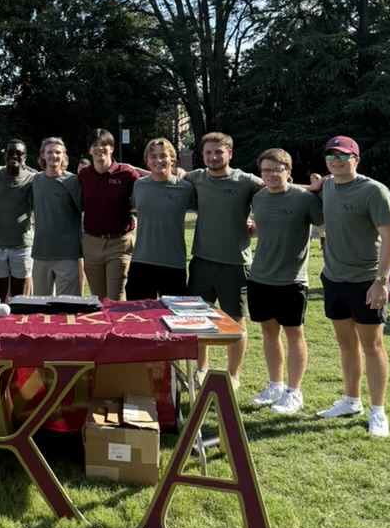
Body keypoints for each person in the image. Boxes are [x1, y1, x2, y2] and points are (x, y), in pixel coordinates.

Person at [317, 135, 390, 437]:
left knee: (372, 346)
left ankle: (378, 411)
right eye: (331, 156)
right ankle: (351, 401)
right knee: (346, 344)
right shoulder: (327, 185)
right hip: (333, 278)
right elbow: (305, 187)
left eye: (343, 155)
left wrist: (381, 281)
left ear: (356, 159)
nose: (336, 160)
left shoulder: (373, 190)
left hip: (366, 281)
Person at [184, 131, 263, 389]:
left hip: (235, 264)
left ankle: (233, 374)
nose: (213, 157)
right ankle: (201, 369)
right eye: (208, 152)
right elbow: (162, 174)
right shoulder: (196, 177)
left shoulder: (246, 181)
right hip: (202, 262)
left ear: (229, 153)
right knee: (197, 319)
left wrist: (257, 227)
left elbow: (277, 189)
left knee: (235, 321)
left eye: (218, 152)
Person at [248, 148, 324, 415]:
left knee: (294, 334)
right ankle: (275, 386)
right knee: (269, 333)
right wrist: (251, 230)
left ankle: (294, 392)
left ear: (288, 172)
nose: (270, 175)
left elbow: (325, 227)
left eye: (276, 170)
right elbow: (261, 229)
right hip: (259, 277)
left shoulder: (305, 199)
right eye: (265, 170)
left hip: (291, 280)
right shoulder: (258, 198)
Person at [125, 137, 197, 300]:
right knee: (138, 313)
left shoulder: (186, 188)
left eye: (163, 155)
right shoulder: (139, 185)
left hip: (173, 263)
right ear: (147, 161)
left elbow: (205, 211)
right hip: (141, 262)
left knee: (173, 314)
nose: (158, 160)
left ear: (172, 159)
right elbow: (133, 207)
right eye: (153, 156)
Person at [78, 128, 141, 300]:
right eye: (95, 145)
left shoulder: (127, 174)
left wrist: (174, 173)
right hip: (91, 243)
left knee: (116, 297)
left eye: (104, 144)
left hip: (119, 244)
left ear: (112, 148)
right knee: (97, 298)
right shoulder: (84, 175)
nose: (99, 148)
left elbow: (151, 183)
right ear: (90, 150)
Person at [0, 139, 35, 301]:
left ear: (25, 157)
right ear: (4, 154)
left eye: (18, 153)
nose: (14, 156)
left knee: (21, 300)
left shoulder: (32, 179)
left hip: (22, 245)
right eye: (10, 152)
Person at [31, 137, 82, 296]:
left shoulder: (72, 181)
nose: (54, 156)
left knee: (66, 305)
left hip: (67, 254)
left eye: (58, 152)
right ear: (43, 155)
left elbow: (85, 210)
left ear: (64, 156)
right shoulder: (36, 180)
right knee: (39, 305)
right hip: (41, 253)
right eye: (50, 152)